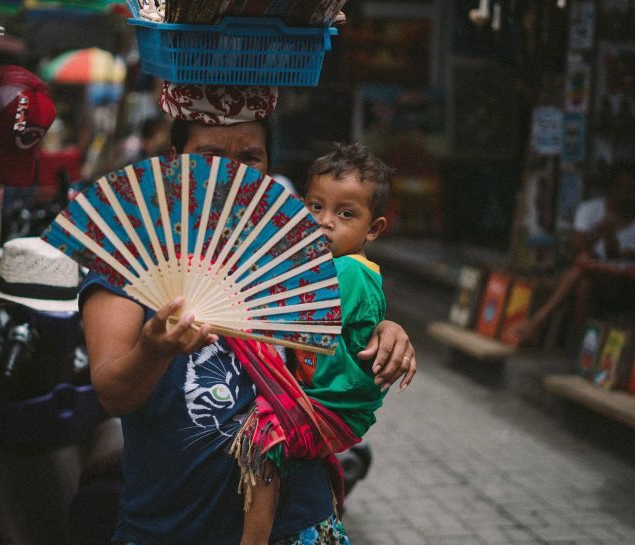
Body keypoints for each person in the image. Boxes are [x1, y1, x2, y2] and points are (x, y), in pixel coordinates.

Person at [78, 83, 416, 545]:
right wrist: (154, 351)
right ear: (176, 158)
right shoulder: (127, 257)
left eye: (250, 159)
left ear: (268, 167)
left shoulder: (293, 249)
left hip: (298, 520)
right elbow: (113, 393)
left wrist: (386, 328)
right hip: (173, 525)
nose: (231, 174)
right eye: (211, 154)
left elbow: (344, 316)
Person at [237, 142, 392, 545]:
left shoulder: (348, 272)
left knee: (264, 440)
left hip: (330, 400)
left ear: (373, 229)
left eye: (345, 214)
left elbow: (293, 317)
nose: (324, 222)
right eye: (315, 207)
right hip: (318, 392)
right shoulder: (324, 266)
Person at [507, 162, 635, 345]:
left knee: (585, 263)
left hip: (618, 286)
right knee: (584, 281)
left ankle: (538, 320)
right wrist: (597, 233)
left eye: (630, 190)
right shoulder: (590, 209)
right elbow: (575, 250)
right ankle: (580, 345)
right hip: (584, 277)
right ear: (610, 187)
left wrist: (610, 244)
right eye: (619, 188)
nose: (623, 195)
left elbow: (624, 268)